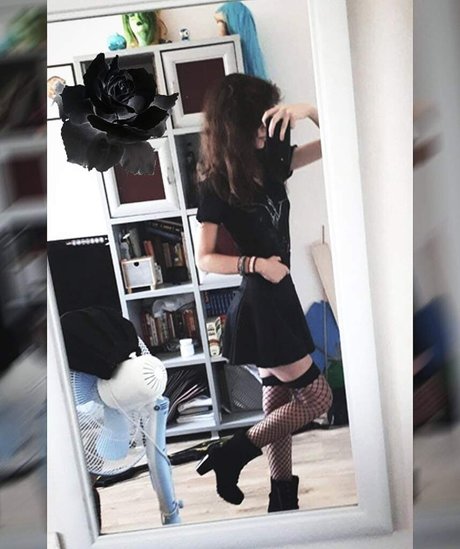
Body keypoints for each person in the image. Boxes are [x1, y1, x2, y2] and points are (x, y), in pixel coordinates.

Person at [194, 73, 333, 512]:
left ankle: (282, 498)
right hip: (261, 301)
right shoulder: (217, 183)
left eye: (267, 120)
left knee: (278, 403)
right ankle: (232, 454)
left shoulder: (272, 163)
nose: (264, 130)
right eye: (256, 122)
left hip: (280, 295)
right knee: (319, 399)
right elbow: (204, 258)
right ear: (235, 127)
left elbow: (338, 142)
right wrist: (256, 264)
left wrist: (310, 111)